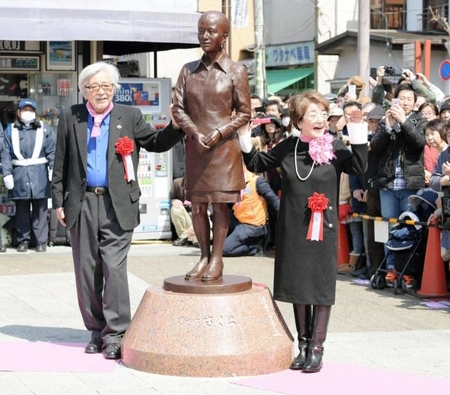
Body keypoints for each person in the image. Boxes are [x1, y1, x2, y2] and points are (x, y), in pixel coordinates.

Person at [51, 61, 184, 360]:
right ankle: (96, 330)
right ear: (84, 89)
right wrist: (58, 200)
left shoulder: (130, 115)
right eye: (94, 86)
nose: (101, 92)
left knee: (113, 267)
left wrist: (176, 127)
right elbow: (60, 163)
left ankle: (116, 333)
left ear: (114, 89)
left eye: (106, 86)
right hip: (81, 202)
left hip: (118, 203)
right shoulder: (71, 116)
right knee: (86, 269)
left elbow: (156, 142)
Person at [238, 90, 368, 373]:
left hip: (324, 229)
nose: (321, 119)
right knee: (298, 285)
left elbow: (358, 165)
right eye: (314, 114)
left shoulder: (334, 145)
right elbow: (256, 164)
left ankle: (318, 348)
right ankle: (303, 345)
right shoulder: (289, 147)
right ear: (298, 120)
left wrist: (357, 130)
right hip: (293, 227)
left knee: (320, 285)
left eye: (323, 113)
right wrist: (244, 137)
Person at [172, 10, 251, 282]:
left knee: (219, 206)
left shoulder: (236, 71)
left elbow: (244, 113)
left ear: (224, 36)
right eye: (201, 30)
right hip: (196, 148)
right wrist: (194, 132)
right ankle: (203, 256)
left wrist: (218, 132)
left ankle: (217, 259)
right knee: (196, 205)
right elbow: (178, 108)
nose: (205, 36)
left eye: (211, 31)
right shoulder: (188, 71)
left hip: (223, 149)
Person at [370, 83, 427, 284]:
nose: (404, 102)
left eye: (408, 99)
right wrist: (388, 126)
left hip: (411, 185)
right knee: (389, 226)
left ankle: (407, 269)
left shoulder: (420, 120)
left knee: (409, 227)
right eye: (401, 98)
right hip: (388, 184)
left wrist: (404, 122)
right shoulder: (387, 119)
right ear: (395, 99)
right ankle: (391, 267)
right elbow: (375, 147)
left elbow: (419, 143)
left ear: (414, 102)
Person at [1, 99, 55, 252]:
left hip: (40, 176)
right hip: (19, 176)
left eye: (31, 110)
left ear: (35, 112)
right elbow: (5, 155)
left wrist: (53, 170)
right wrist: (7, 174)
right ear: (18, 112)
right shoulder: (10, 130)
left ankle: (41, 242)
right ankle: (22, 241)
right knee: (22, 212)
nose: (28, 112)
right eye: (25, 109)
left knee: (41, 211)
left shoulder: (45, 129)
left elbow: (52, 151)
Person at [223, 166, 280, 257]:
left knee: (224, 250)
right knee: (218, 216)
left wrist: (287, 217)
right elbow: (223, 204)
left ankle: (255, 247)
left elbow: (273, 199)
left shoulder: (257, 181)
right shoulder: (234, 182)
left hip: (252, 225)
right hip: (238, 220)